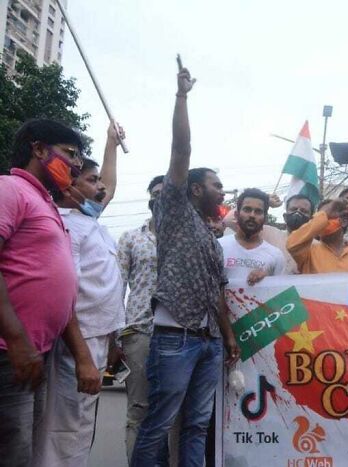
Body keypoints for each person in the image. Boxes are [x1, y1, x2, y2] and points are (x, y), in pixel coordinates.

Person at [131, 64, 239, 467]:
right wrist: (182, 97)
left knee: (196, 425)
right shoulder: (174, 211)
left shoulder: (211, 238)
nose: (222, 191)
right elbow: (181, 150)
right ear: (194, 189)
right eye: (216, 185)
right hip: (175, 338)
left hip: (209, 341)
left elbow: (217, 293)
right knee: (159, 423)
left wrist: (227, 336)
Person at [0, 119, 99, 467]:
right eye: (70, 154)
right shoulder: (10, 189)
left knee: (24, 452)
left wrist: (82, 357)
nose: (76, 165)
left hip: (33, 354)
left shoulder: (46, 205)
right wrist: (16, 341)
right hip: (9, 353)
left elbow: (60, 292)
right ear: (39, 150)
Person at [33, 123, 127, 467]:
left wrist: (111, 144)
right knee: (63, 428)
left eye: (99, 180)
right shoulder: (63, 224)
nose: (101, 187)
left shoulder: (88, 219)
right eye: (91, 180)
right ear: (69, 185)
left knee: (81, 426)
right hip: (76, 342)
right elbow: (64, 295)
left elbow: (110, 186)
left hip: (98, 339)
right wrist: (84, 357)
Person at [117, 175, 178, 464]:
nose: (159, 198)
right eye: (155, 193)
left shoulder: (186, 238)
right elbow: (117, 286)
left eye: (166, 193)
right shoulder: (131, 238)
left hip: (178, 333)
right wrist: (114, 334)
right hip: (138, 330)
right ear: (149, 199)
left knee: (172, 412)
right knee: (139, 409)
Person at [286, 198, 348, 274]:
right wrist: (325, 213)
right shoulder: (308, 253)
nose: (321, 223)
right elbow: (291, 244)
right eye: (320, 218)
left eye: (327, 217)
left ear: (344, 221)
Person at [219, 188, 285, 285]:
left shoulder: (276, 255)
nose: (252, 215)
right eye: (247, 209)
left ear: (265, 219)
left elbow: (279, 290)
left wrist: (267, 280)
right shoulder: (218, 246)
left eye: (258, 211)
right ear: (236, 215)